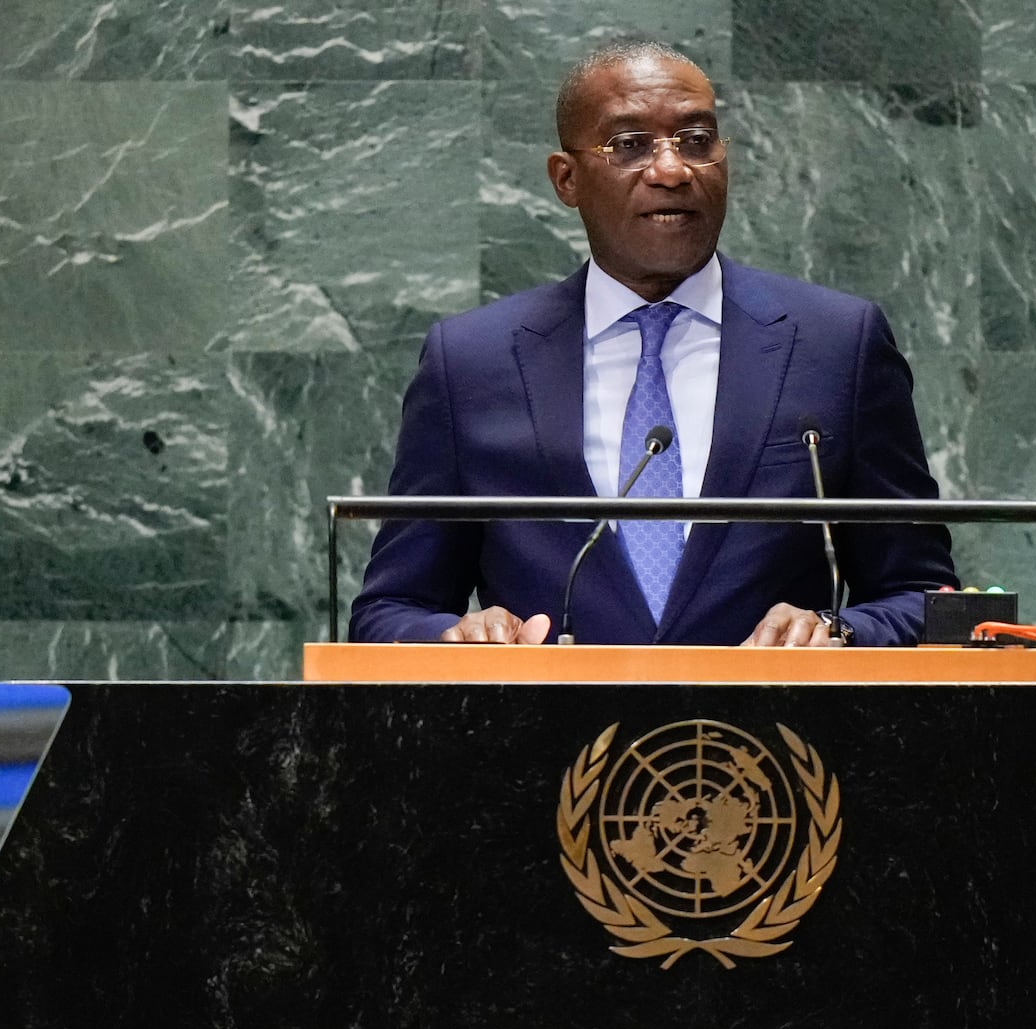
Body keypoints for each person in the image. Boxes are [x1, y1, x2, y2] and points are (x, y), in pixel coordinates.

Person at [349, 41, 957, 647]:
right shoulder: (473, 362)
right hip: (548, 736)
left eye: (697, 141)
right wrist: (458, 636)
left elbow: (927, 601)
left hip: (774, 736)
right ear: (567, 179)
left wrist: (837, 629)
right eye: (630, 145)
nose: (672, 170)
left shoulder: (836, 344)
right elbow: (392, 608)